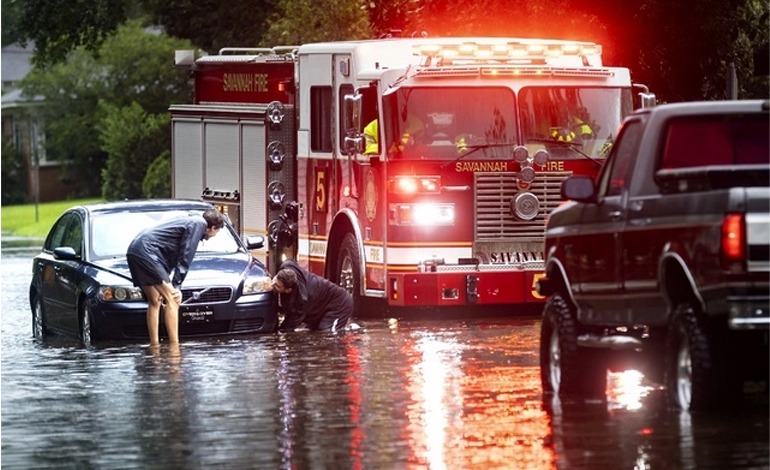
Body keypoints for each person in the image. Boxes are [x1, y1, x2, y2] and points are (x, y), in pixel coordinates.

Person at [127, 208, 225, 345]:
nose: (214, 236)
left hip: (135, 250)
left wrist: (168, 279)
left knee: (155, 300)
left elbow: (169, 253)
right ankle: (175, 347)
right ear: (213, 228)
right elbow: (186, 254)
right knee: (173, 299)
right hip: (147, 252)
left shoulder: (190, 220)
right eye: (217, 232)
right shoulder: (199, 223)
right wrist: (177, 286)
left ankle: (154, 345)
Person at [271, 259, 352, 332]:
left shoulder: (300, 301)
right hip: (319, 304)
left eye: (277, 286)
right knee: (313, 331)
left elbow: (290, 323)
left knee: (326, 333)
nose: (272, 284)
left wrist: (278, 333)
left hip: (340, 303)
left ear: (288, 290)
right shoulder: (287, 266)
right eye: (275, 279)